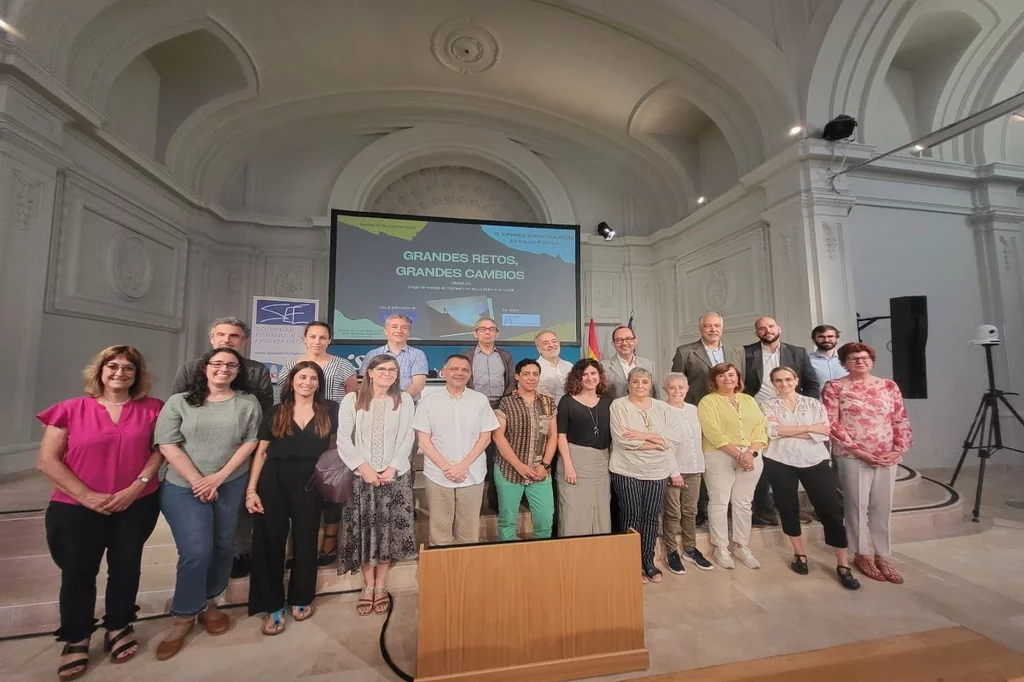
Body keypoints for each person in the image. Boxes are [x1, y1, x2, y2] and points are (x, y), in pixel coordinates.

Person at [36, 346, 164, 680]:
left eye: (128, 369)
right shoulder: (70, 409)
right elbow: (48, 460)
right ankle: (76, 637)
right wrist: (88, 496)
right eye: (113, 366)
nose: (120, 373)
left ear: (137, 375)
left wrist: (136, 487)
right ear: (100, 370)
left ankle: (119, 625)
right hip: (76, 507)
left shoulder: (153, 409)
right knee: (78, 572)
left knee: (126, 566)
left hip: (136, 502)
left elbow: (159, 451)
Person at [154, 347, 261, 660]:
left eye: (230, 365)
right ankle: (184, 615)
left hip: (229, 483)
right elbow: (167, 444)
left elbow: (251, 441)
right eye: (217, 364)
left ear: (237, 371)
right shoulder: (180, 402)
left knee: (224, 545)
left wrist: (220, 477)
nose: (223, 369)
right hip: (183, 486)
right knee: (196, 550)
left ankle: (210, 603)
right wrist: (198, 480)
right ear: (205, 368)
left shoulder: (247, 402)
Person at [171, 317, 272, 580]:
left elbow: (262, 414)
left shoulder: (257, 370)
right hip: (195, 458)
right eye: (222, 335)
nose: (227, 340)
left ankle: (240, 552)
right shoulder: (190, 368)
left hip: (241, 451)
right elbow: (175, 408)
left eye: (234, 336)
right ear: (211, 338)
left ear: (243, 341)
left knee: (237, 509)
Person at [246, 362, 338, 635]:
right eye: (302, 377)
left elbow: (334, 449)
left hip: (311, 481)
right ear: (291, 381)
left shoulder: (329, 410)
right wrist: (252, 490)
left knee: (306, 539)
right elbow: (261, 452)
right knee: (270, 540)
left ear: (319, 383)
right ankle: (273, 605)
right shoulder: (276, 411)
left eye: (313, 378)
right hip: (274, 479)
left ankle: (301, 597)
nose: (307, 382)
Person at [760, 367, 860, 590]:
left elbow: (822, 432)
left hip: (815, 460)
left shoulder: (814, 404)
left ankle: (843, 564)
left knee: (830, 510)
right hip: (779, 461)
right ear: (773, 383)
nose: (784, 384)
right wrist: (808, 428)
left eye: (788, 379)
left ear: (796, 380)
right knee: (788, 508)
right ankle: (799, 554)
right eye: (779, 380)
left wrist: (791, 429)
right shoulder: (766, 405)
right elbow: (772, 431)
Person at [822, 342, 913, 584]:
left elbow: (900, 419)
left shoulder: (888, 386)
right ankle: (862, 554)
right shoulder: (835, 387)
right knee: (856, 505)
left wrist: (898, 450)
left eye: (864, 357)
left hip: (886, 455)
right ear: (844, 363)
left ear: (872, 360)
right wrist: (858, 450)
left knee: (882, 506)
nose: (860, 361)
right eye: (853, 358)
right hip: (853, 455)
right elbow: (832, 423)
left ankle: (883, 555)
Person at [337, 354, 418, 616]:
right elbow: (343, 439)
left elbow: (408, 435)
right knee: (365, 529)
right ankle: (367, 585)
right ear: (369, 372)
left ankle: (381, 585)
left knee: (388, 530)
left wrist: (392, 467)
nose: (387, 373)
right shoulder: (352, 400)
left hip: (395, 476)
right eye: (382, 369)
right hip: (363, 477)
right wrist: (365, 468)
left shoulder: (403, 399)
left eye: (392, 369)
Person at [276, 321, 357, 567]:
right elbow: (284, 398)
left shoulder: (343, 365)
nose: (318, 341)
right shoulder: (291, 366)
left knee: (332, 484)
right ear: (305, 338)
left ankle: (330, 540)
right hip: (300, 432)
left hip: (334, 429)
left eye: (323, 337)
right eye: (313, 337)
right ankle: (299, 546)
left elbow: (353, 399)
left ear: (330, 340)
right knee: (300, 490)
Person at [412, 354, 499, 545]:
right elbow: (424, 442)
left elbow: (485, 438)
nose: (459, 373)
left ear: (470, 374)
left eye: (465, 370)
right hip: (438, 476)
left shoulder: (480, 400)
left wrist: (462, 467)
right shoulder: (429, 401)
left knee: (468, 533)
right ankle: (442, 573)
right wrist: (447, 468)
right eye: (454, 369)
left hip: (472, 474)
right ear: (444, 372)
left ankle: (465, 574)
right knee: (439, 531)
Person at [743, 316, 820, 527]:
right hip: (757, 413)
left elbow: (812, 384)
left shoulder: (797, 352)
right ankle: (764, 507)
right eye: (761, 328)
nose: (767, 330)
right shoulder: (746, 353)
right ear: (756, 332)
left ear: (779, 328)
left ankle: (788, 506)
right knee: (762, 460)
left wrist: (803, 409)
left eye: (770, 326)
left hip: (790, 413)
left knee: (788, 458)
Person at [609, 368, 682, 583]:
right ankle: (630, 562)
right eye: (635, 381)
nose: (640, 386)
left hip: (657, 471)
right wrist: (659, 441)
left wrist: (643, 435)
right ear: (629, 384)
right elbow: (624, 441)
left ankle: (648, 561)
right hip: (627, 470)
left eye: (644, 382)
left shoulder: (663, 407)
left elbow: (675, 437)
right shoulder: (619, 405)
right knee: (631, 515)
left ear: (651, 385)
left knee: (651, 517)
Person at [697, 363, 768, 570]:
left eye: (731, 375)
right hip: (719, 455)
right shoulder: (708, 402)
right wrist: (739, 454)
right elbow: (713, 432)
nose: (727, 379)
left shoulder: (749, 400)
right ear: (714, 380)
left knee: (743, 502)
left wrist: (751, 453)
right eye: (721, 375)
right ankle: (721, 547)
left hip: (751, 455)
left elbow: (760, 428)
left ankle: (741, 545)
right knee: (719, 501)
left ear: (738, 378)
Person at [492, 359, 558, 541]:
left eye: (535, 374)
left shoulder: (548, 403)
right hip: (509, 470)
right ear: (517, 376)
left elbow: (552, 436)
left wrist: (544, 465)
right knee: (507, 521)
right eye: (526, 374)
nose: (531, 378)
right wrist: (519, 465)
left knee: (545, 519)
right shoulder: (505, 403)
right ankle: (509, 563)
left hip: (540, 470)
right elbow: (498, 436)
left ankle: (539, 561)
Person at [660, 373, 713, 574]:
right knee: (673, 512)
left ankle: (690, 548)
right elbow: (664, 445)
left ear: (687, 389)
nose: (677, 391)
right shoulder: (662, 410)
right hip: (673, 470)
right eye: (672, 388)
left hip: (694, 468)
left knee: (690, 511)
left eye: (681, 388)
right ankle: (671, 550)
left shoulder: (694, 410)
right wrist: (674, 472)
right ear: (665, 389)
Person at [461, 317, 515, 511]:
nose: (487, 332)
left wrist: (503, 404)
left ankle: (495, 501)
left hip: (500, 407)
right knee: (476, 452)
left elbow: (511, 382)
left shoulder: (505, 356)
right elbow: (462, 382)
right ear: (476, 333)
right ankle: (473, 502)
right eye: (483, 329)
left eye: (491, 329)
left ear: (497, 333)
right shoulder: (467, 356)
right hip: (474, 408)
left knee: (498, 454)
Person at [555, 359, 613, 536]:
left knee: (600, 513)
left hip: (602, 463)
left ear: (599, 376)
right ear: (577, 378)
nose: (590, 378)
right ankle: (572, 559)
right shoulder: (567, 401)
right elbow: (561, 436)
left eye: (593, 373)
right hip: (575, 461)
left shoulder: (608, 401)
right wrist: (568, 466)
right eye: (585, 374)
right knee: (574, 513)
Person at [671, 312, 745, 405]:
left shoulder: (737, 351)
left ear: (722, 328)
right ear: (700, 329)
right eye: (707, 326)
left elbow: (742, 379)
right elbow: (675, 383)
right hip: (697, 406)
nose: (713, 329)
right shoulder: (685, 352)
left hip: (731, 405)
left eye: (717, 325)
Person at [363, 313, 428, 400]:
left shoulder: (418, 354)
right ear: (385, 331)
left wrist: (398, 400)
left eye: (404, 328)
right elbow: (364, 382)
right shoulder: (372, 354)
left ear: (409, 332)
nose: (399, 331)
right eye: (394, 327)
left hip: (407, 405)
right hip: (375, 404)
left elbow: (418, 385)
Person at [604, 325, 659, 400]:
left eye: (629, 339)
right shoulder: (603, 366)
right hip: (616, 410)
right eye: (619, 340)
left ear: (635, 341)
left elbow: (655, 394)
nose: (624, 343)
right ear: (613, 344)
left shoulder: (649, 365)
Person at [535, 330, 573, 403]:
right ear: (538, 348)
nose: (551, 345)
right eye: (546, 343)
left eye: (554, 341)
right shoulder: (535, 368)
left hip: (570, 411)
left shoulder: (569, 366)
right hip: (545, 411)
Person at [809, 324, 849, 389]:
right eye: (821, 337)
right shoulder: (807, 360)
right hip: (817, 399)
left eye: (830, 336)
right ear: (813, 340)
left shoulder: (847, 358)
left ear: (837, 339)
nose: (826, 340)